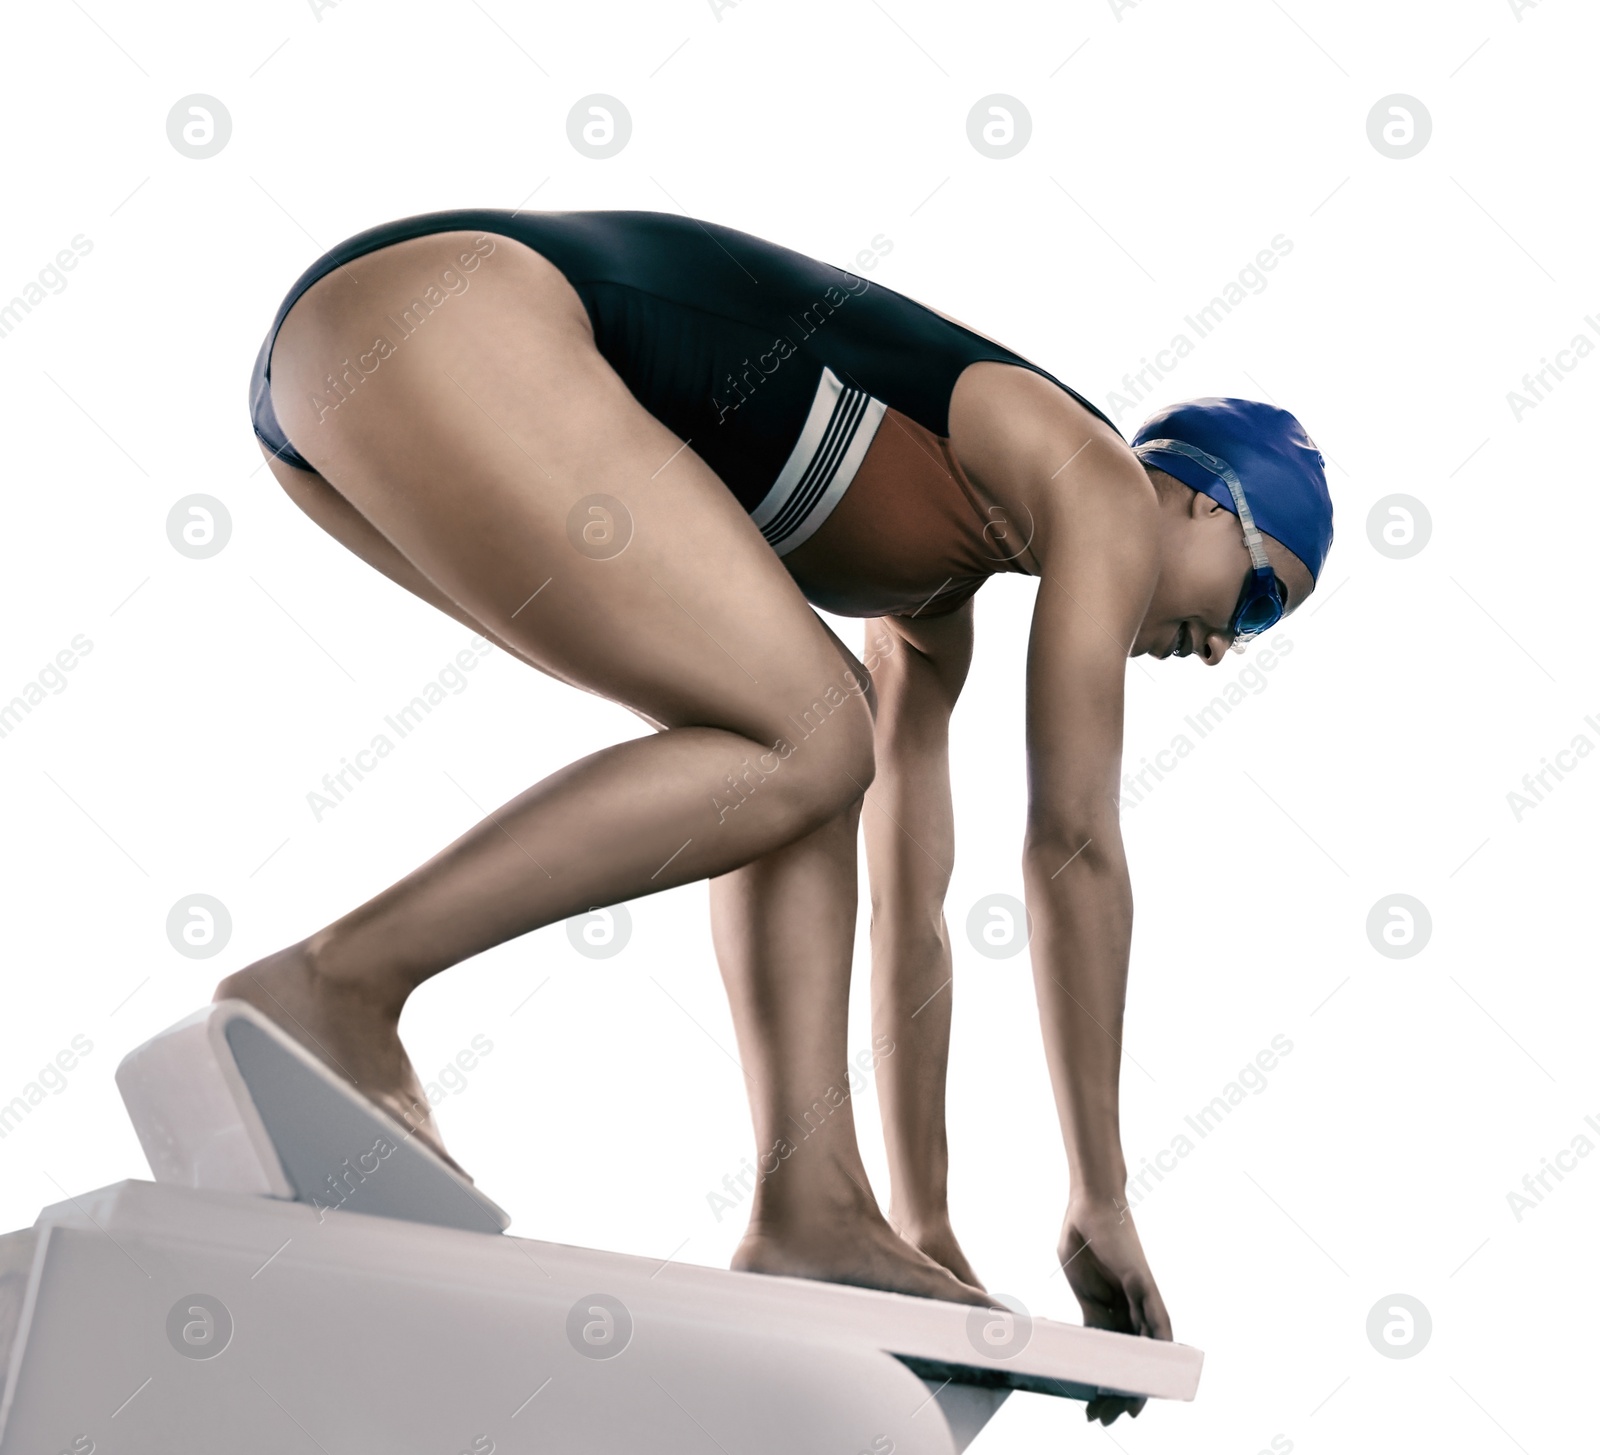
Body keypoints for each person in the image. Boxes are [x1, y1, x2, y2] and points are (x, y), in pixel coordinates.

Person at [217, 208, 1333, 1426]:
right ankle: (338, 985)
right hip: (438, 314)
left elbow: (910, 916)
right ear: (1198, 505)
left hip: (342, 387)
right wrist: (1100, 1196)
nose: (1227, 647)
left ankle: (812, 1208)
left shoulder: (930, 593)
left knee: (796, 758)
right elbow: (1071, 843)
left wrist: (926, 1224)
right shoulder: (1100, 483)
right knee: (810, 728)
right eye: (1263, 596)